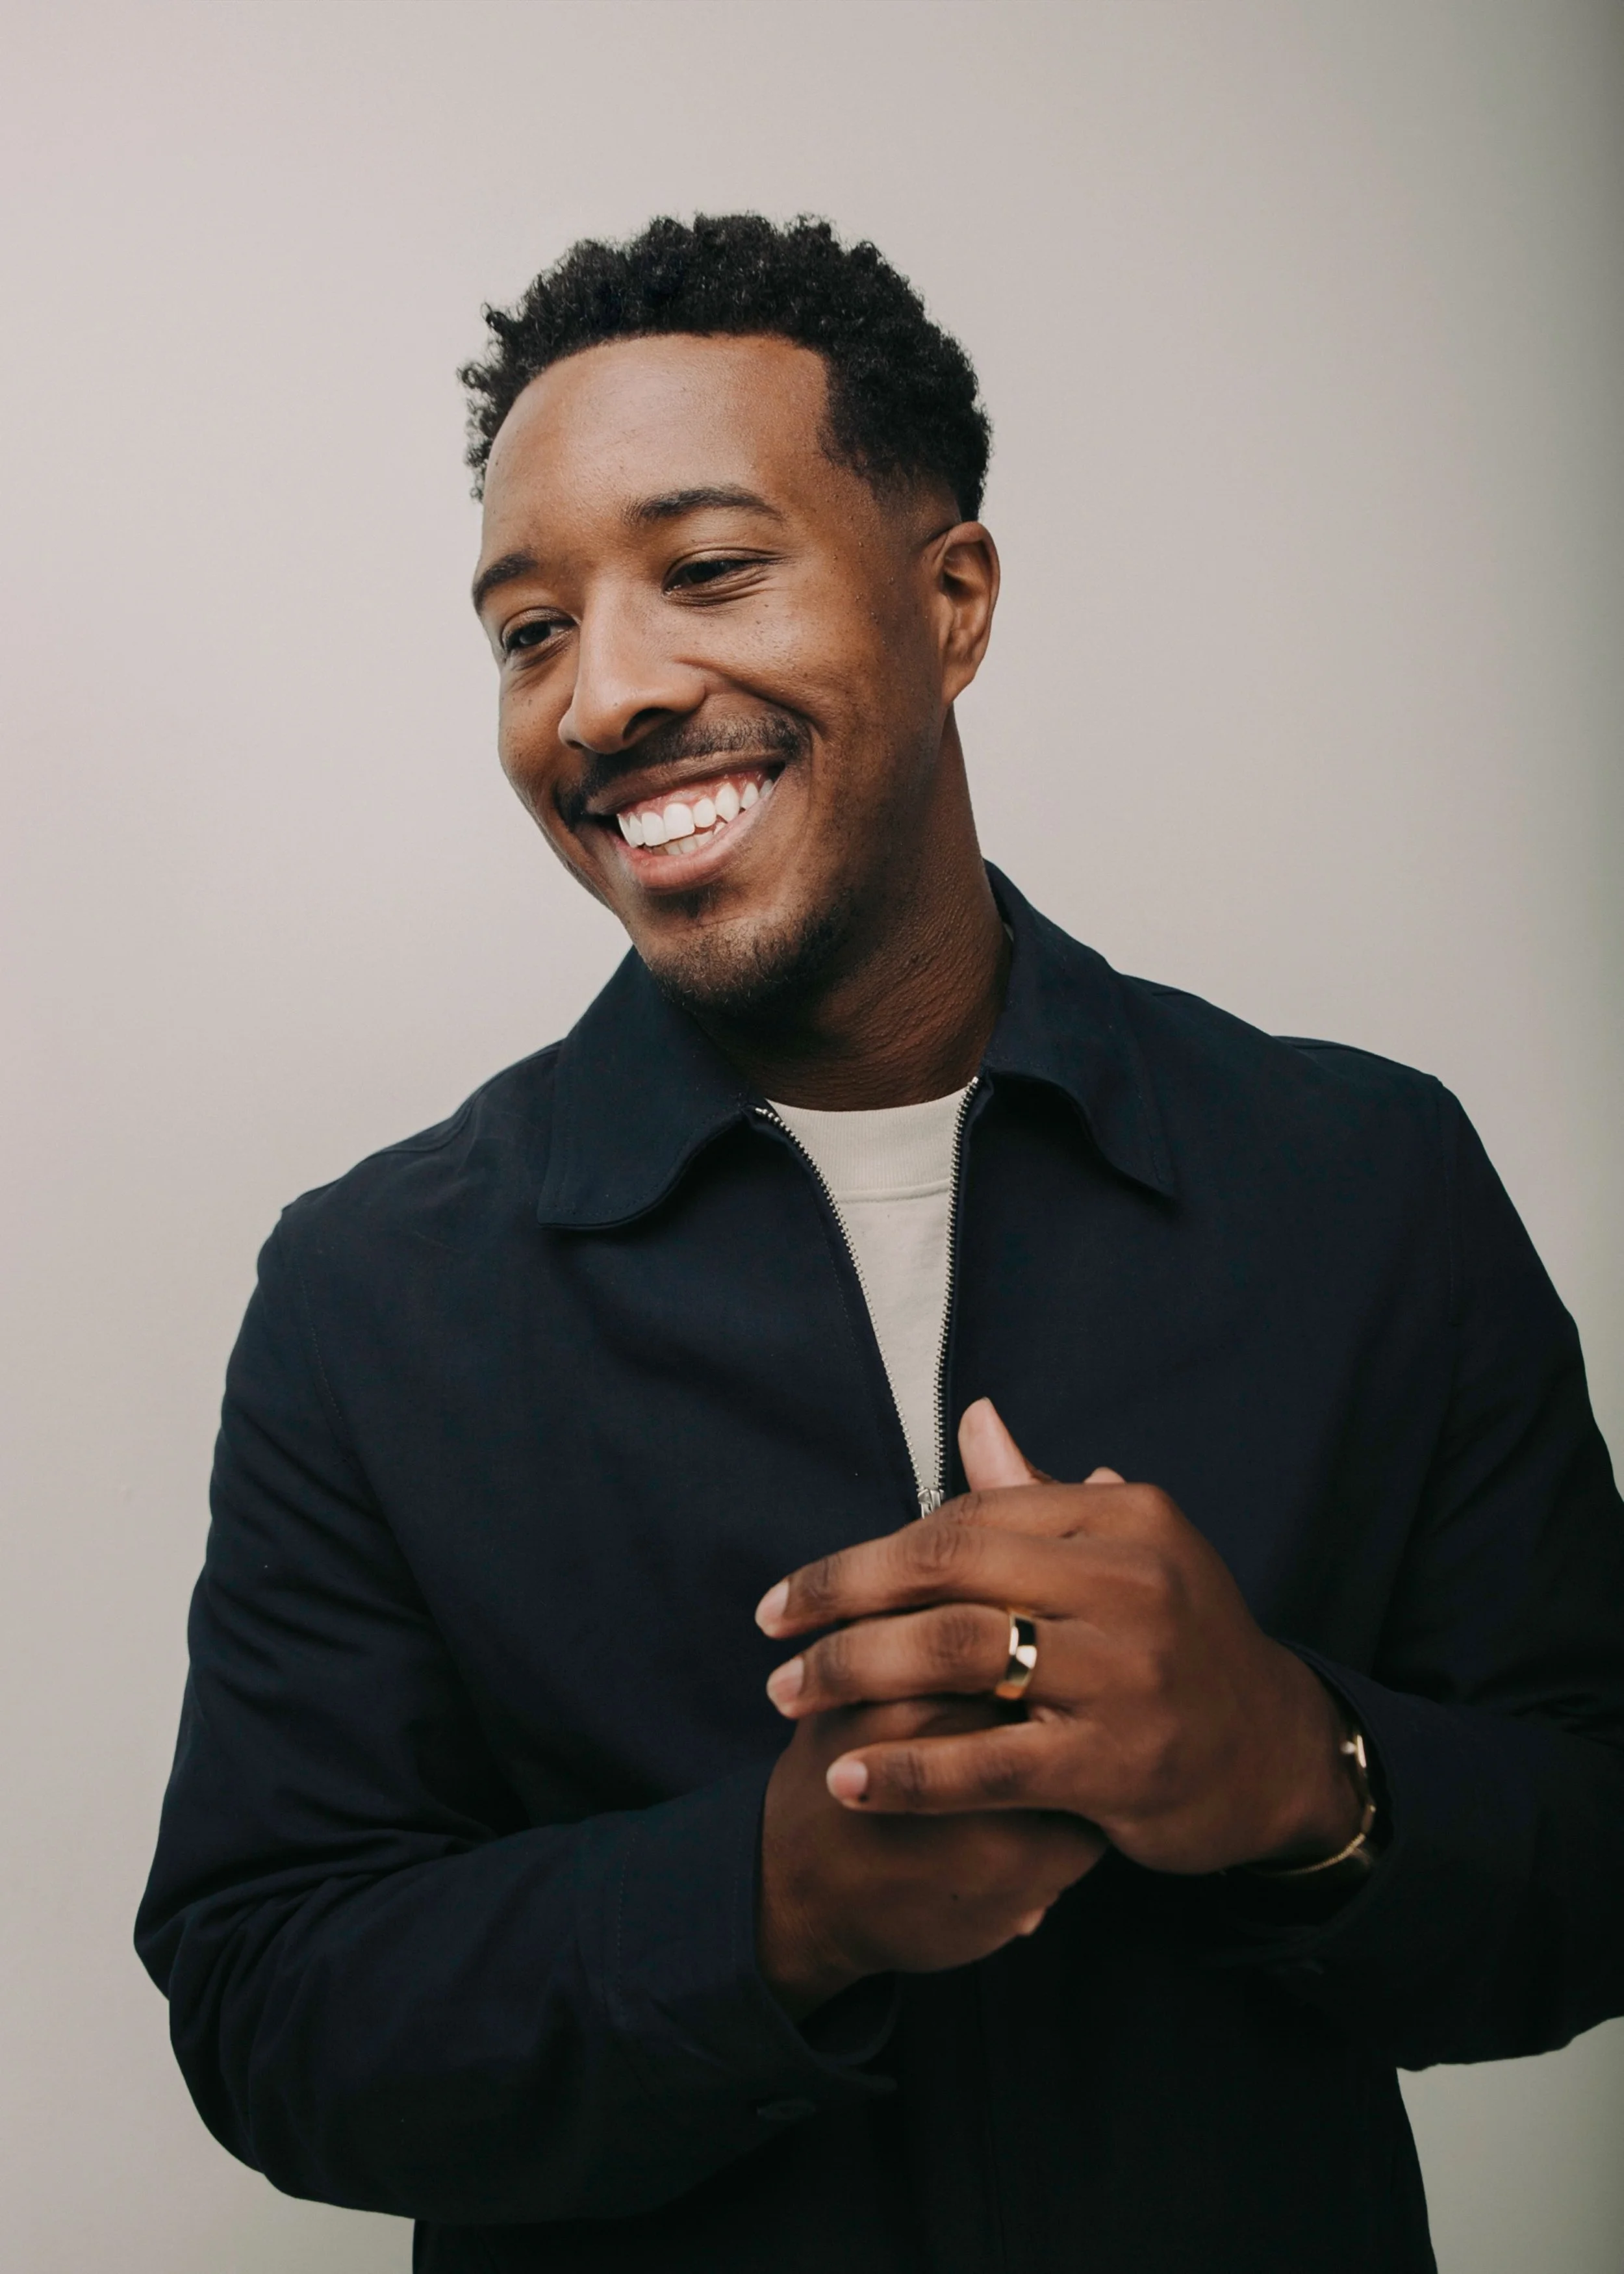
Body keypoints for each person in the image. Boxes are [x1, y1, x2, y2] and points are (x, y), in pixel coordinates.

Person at [137, 214, 1624, 2274]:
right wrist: (773, 1903)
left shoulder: (1362, 1179)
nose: (607, 692)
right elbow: (266, 2003)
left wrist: (1300, 1763)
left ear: (953, 602)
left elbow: (1591, 1861)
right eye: (528, 627)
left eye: (709, 568)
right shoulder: (371, 1290)